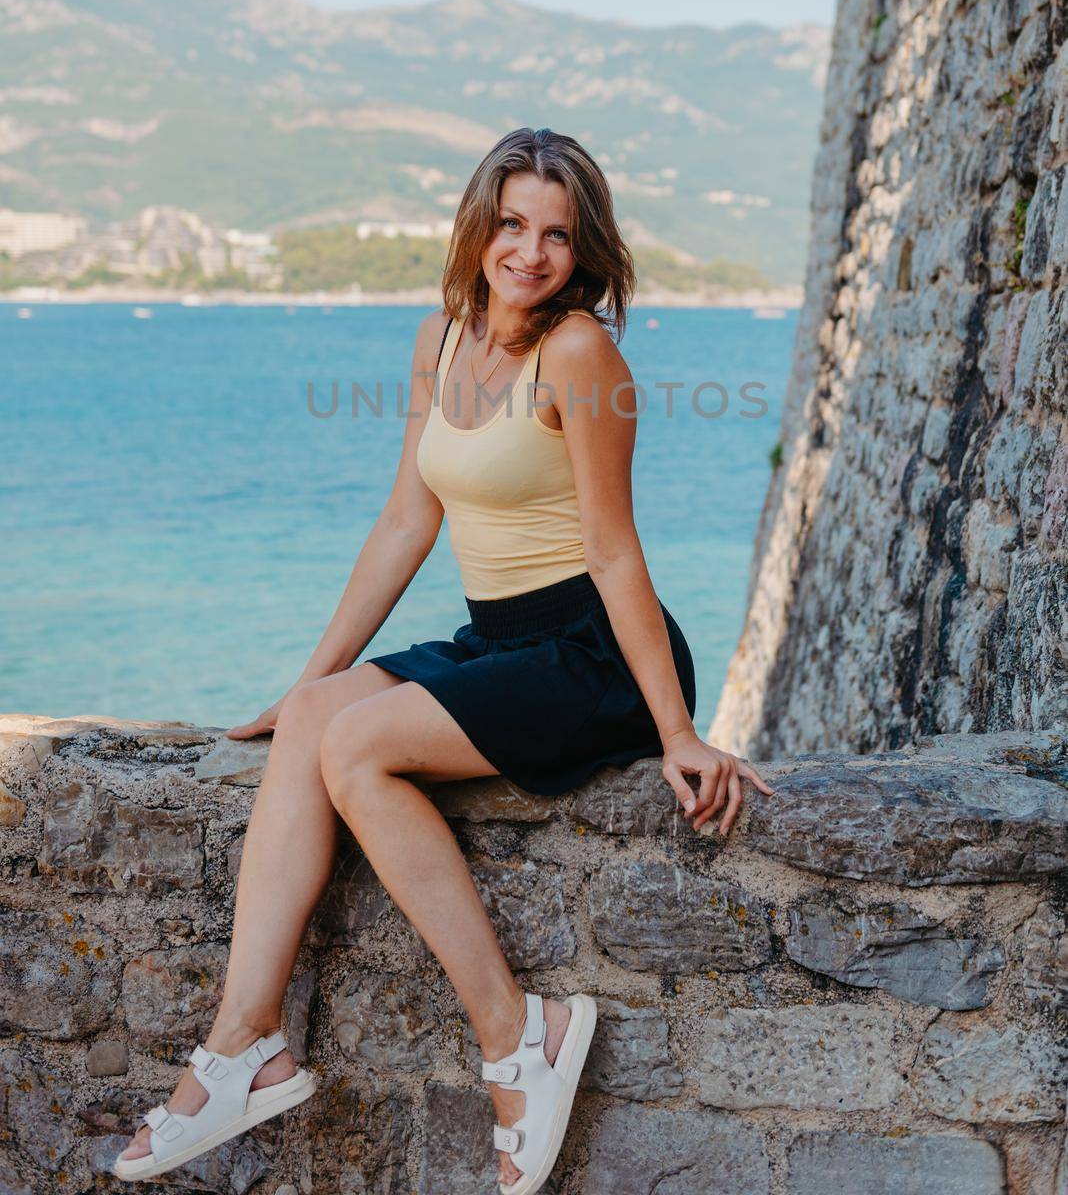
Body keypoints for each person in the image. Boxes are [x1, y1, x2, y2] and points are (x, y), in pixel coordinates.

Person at [113, 126, 775, 1192]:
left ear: (585, 249)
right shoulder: (441, 338)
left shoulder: (580, 354)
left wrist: (678, 731)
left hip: (588, 649)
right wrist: (305, 681)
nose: (531, 251)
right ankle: (247, 1041)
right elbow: (404, 521)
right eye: (512, 223)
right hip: (502, 638)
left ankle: (522, 1039)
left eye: (558, 233)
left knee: (361, 748)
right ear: (478, 226)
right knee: (322, 720)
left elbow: (613, 548)